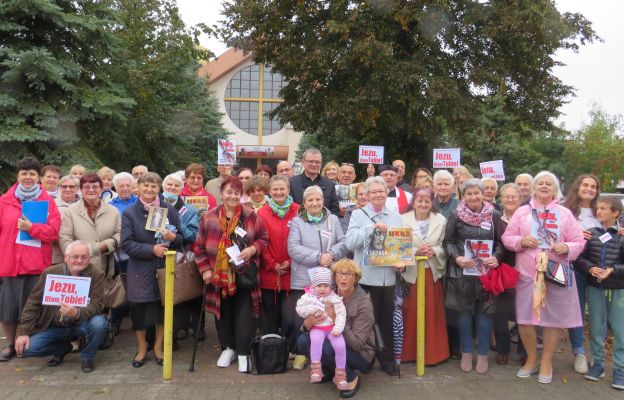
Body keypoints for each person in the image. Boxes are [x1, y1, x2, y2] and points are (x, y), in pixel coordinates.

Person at [502, 171, 585, 384]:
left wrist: (566, 246)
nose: (544, 186)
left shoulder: (565, 213)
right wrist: (521, 241)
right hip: (527, 273)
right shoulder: (522, 212)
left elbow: (578, 241)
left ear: (555, 189)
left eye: (549, 183)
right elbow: (507, 237)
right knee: (525, 319)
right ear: (533, 188)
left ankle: (546, 361)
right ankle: (531, 359)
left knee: (552, 319)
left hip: (555, 271)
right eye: (540, 183)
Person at [193, 176, 268, 373]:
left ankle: (243, 352)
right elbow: (199, 247)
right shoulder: (209, 217)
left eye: (236, 192)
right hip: (218, 276)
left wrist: (252, 250)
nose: (233, 196)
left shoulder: (251, 215)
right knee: (223, 314)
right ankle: (228, 348)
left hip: (243, 275)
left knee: (244, 315)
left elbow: (263, 239)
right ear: (222, 194)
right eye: (229, 192)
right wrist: (206, 270)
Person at [0, 157, 61, 362]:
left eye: (32, 174)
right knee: (8, 308)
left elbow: (53, 233)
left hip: (35, 264)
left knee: (34, 306)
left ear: (38, 178)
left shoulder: (48, 202)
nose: (28, 177)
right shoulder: (4, 201)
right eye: (24, 173)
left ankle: (31, 342)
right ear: (17, 176)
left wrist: (32, 229)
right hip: (10, 264)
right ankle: (10, 344)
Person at [14, 240, 107, 373]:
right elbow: (33, 302)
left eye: (84, 257)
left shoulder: (96, 274)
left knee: (99, 323)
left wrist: (77, 313)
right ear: (66, 257)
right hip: (54, 325)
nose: (79, 261)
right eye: (75, 257)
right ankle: (62, 348)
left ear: (89, 259)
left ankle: (87, 356)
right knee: (24, 349)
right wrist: (23, 332)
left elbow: (97, 305)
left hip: (81, 324)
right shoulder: (50, 273)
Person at [121, 172, 183, 368]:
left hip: (164, 267)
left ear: (159, 189)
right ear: (138, 187)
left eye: (154, 187)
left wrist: (172, 238)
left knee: (162, 308)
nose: (149, 190)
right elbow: (126, 244)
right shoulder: (130, 213)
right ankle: (141, 347)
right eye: (146, 186)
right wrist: (151, 249)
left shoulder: (169, 209)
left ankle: (158, 347)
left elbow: (181, 239)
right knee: (139, 310)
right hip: (140, 268)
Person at [345, 176, 405, 376]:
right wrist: (370, 228)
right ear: (367, 195)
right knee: (366, 321)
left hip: (388, 277)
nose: (379, 194)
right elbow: (350, 243)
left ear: (386, 193)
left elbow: (402, 246)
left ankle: (387, 360)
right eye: (374, 192)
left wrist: (402, 263)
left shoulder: (396, 216)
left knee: (387, 320)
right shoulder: (358, 215)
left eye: (382, 191)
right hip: (366, 278)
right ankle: (366, 358)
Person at [444, 178, 504, 374]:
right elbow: (448, 242)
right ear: (463, 196)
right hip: (463, 273)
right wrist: (457, 257)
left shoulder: (494, 215)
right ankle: (467, 352)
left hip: (486, 274)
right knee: (463, 315)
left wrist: (496, 257)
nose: (473, 196)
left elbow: (500, 243)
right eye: (469, 193)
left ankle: (483, 355)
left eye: (476, 193)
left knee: (485, 314)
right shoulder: (456, 215)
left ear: (483, 193)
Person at [287, 185, 347, 370]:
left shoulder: (333, 219)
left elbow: (344, 242)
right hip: (303, 278)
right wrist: (318, 257)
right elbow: (293, 248)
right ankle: (301, 353)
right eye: (310, 200)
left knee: (327, 316)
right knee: (303, 315)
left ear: (323, 201)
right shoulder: (297, 222)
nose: (314, 203)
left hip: (327, 280)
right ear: (304, 203)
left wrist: (330, 254)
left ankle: (325, 354)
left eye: (318, 199)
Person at [296, 259, 375, 398]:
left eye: (349, 274)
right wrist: (309, 321)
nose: (343, 277)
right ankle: (330, 368)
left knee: (328, 346)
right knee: (303, 341)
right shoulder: (326, 292)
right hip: (335, 340)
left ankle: (351, 377)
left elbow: (357, 344)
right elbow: (306, 327)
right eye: (340, 273)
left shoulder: (364, 303)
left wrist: (336, 319)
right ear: (334, 277)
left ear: (356, 278)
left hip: (361, 354)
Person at [575, 196, 624, 389]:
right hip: (595, 288)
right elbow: (579, 258)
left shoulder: (621, 235)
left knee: (620, 330)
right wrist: (589, 268)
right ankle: (598, 364)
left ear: (616, 213)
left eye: (604, 208)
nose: (599, 211)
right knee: (595, 327)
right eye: (598, 208)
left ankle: (620, 369)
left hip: (618, 289)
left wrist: (613, 270)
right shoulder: (591, 234)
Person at [400, 187, 449, 365]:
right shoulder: (402, 219)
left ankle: (433, 354)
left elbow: (446, 245)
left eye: (427, 200)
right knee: (410, 311)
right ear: (413, 202)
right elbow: (396, 245)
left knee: (432, 312)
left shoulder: (441, 220)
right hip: (411, 274)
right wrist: (415, 251)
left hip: (431, 272)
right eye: (419, 200)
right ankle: (408, 353)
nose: (423, 203)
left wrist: (434, 251)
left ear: (432, 202)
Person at [562, 174, 602, 374]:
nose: (589, 189)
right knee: (576, 311)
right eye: (585, 185)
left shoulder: (601, 208)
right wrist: (576, 233)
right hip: (574, 266)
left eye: (593, 186)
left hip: (597, 267)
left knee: (597, 313)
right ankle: (578, 352)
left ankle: (597, 354)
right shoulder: (566, 210)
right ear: (577, 187)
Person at [162, 173, 201, 345]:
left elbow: (192, 235)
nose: (172, 188)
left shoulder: (189, 210)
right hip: (159, 256)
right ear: (163, 187)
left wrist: (176, 219)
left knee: (186, 292)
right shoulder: (154, 207)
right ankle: (171, 333)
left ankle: (193, 327)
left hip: (181, 256)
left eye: (176, 186)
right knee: (165, 297)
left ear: (181, 188)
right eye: (169, 185)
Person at [258, 175, 300, 334]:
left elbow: (303, 240)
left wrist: (290, 261)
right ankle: (271, 348)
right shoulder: (262, 213)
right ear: (269, 191)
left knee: (290, 316)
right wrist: (272, 264)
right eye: (275, 189)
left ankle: (289, 348)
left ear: (288, 190)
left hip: (292, 273)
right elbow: (261, 241)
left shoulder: (298, 210)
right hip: (269, 274)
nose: (278, 192)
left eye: (282, 188)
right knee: (270, 315)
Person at [59, 174, 121, 276]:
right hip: (78, 269)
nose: (91, 190)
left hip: (105, 268)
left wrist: (107, 244)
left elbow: (120, 234)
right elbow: (65, 238)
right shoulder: (71, 211)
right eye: (87, 187)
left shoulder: (113, 211)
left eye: (95, 187)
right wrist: (77, 258)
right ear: (81, 190)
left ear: (101, 189)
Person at [296, 267, 348, 389]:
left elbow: (342, 314)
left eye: (326, 285)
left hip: (331, 328)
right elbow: (299, 308)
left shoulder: (335, 298)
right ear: (314, 286)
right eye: (319, 285)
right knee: (315, 341)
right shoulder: (308, 297)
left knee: (340, 345)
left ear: (330, 287)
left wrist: (338, 328)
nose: (323, 289)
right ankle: (316, 370)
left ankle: (340, 375)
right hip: (317, 328)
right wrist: (311, 311)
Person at [492, 183, 523, 365]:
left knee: (524, 313)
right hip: (502, 269)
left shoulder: (527, 217)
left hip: (525, 269)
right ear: (501, 199)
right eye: (506, 197)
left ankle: (524, 350)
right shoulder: (496, 218)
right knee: (501, 313)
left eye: (514, 197)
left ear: (520, 199)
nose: (510, 200)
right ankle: (503, 349)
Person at [289, 149, 340, 215]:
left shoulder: (329, 185)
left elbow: (335, 210)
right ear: (303, 162)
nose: (314, 164)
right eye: (311, 161)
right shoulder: (292, 183)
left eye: (317, 162)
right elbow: (289, 209)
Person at [52, 175, 81, 264]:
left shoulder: (85, 205)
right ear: (59, 188)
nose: (67, 189)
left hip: (80, 254)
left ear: (78, 188)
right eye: (64, 186)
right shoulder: (51, 205)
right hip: (57, 255)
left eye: (71, 186)